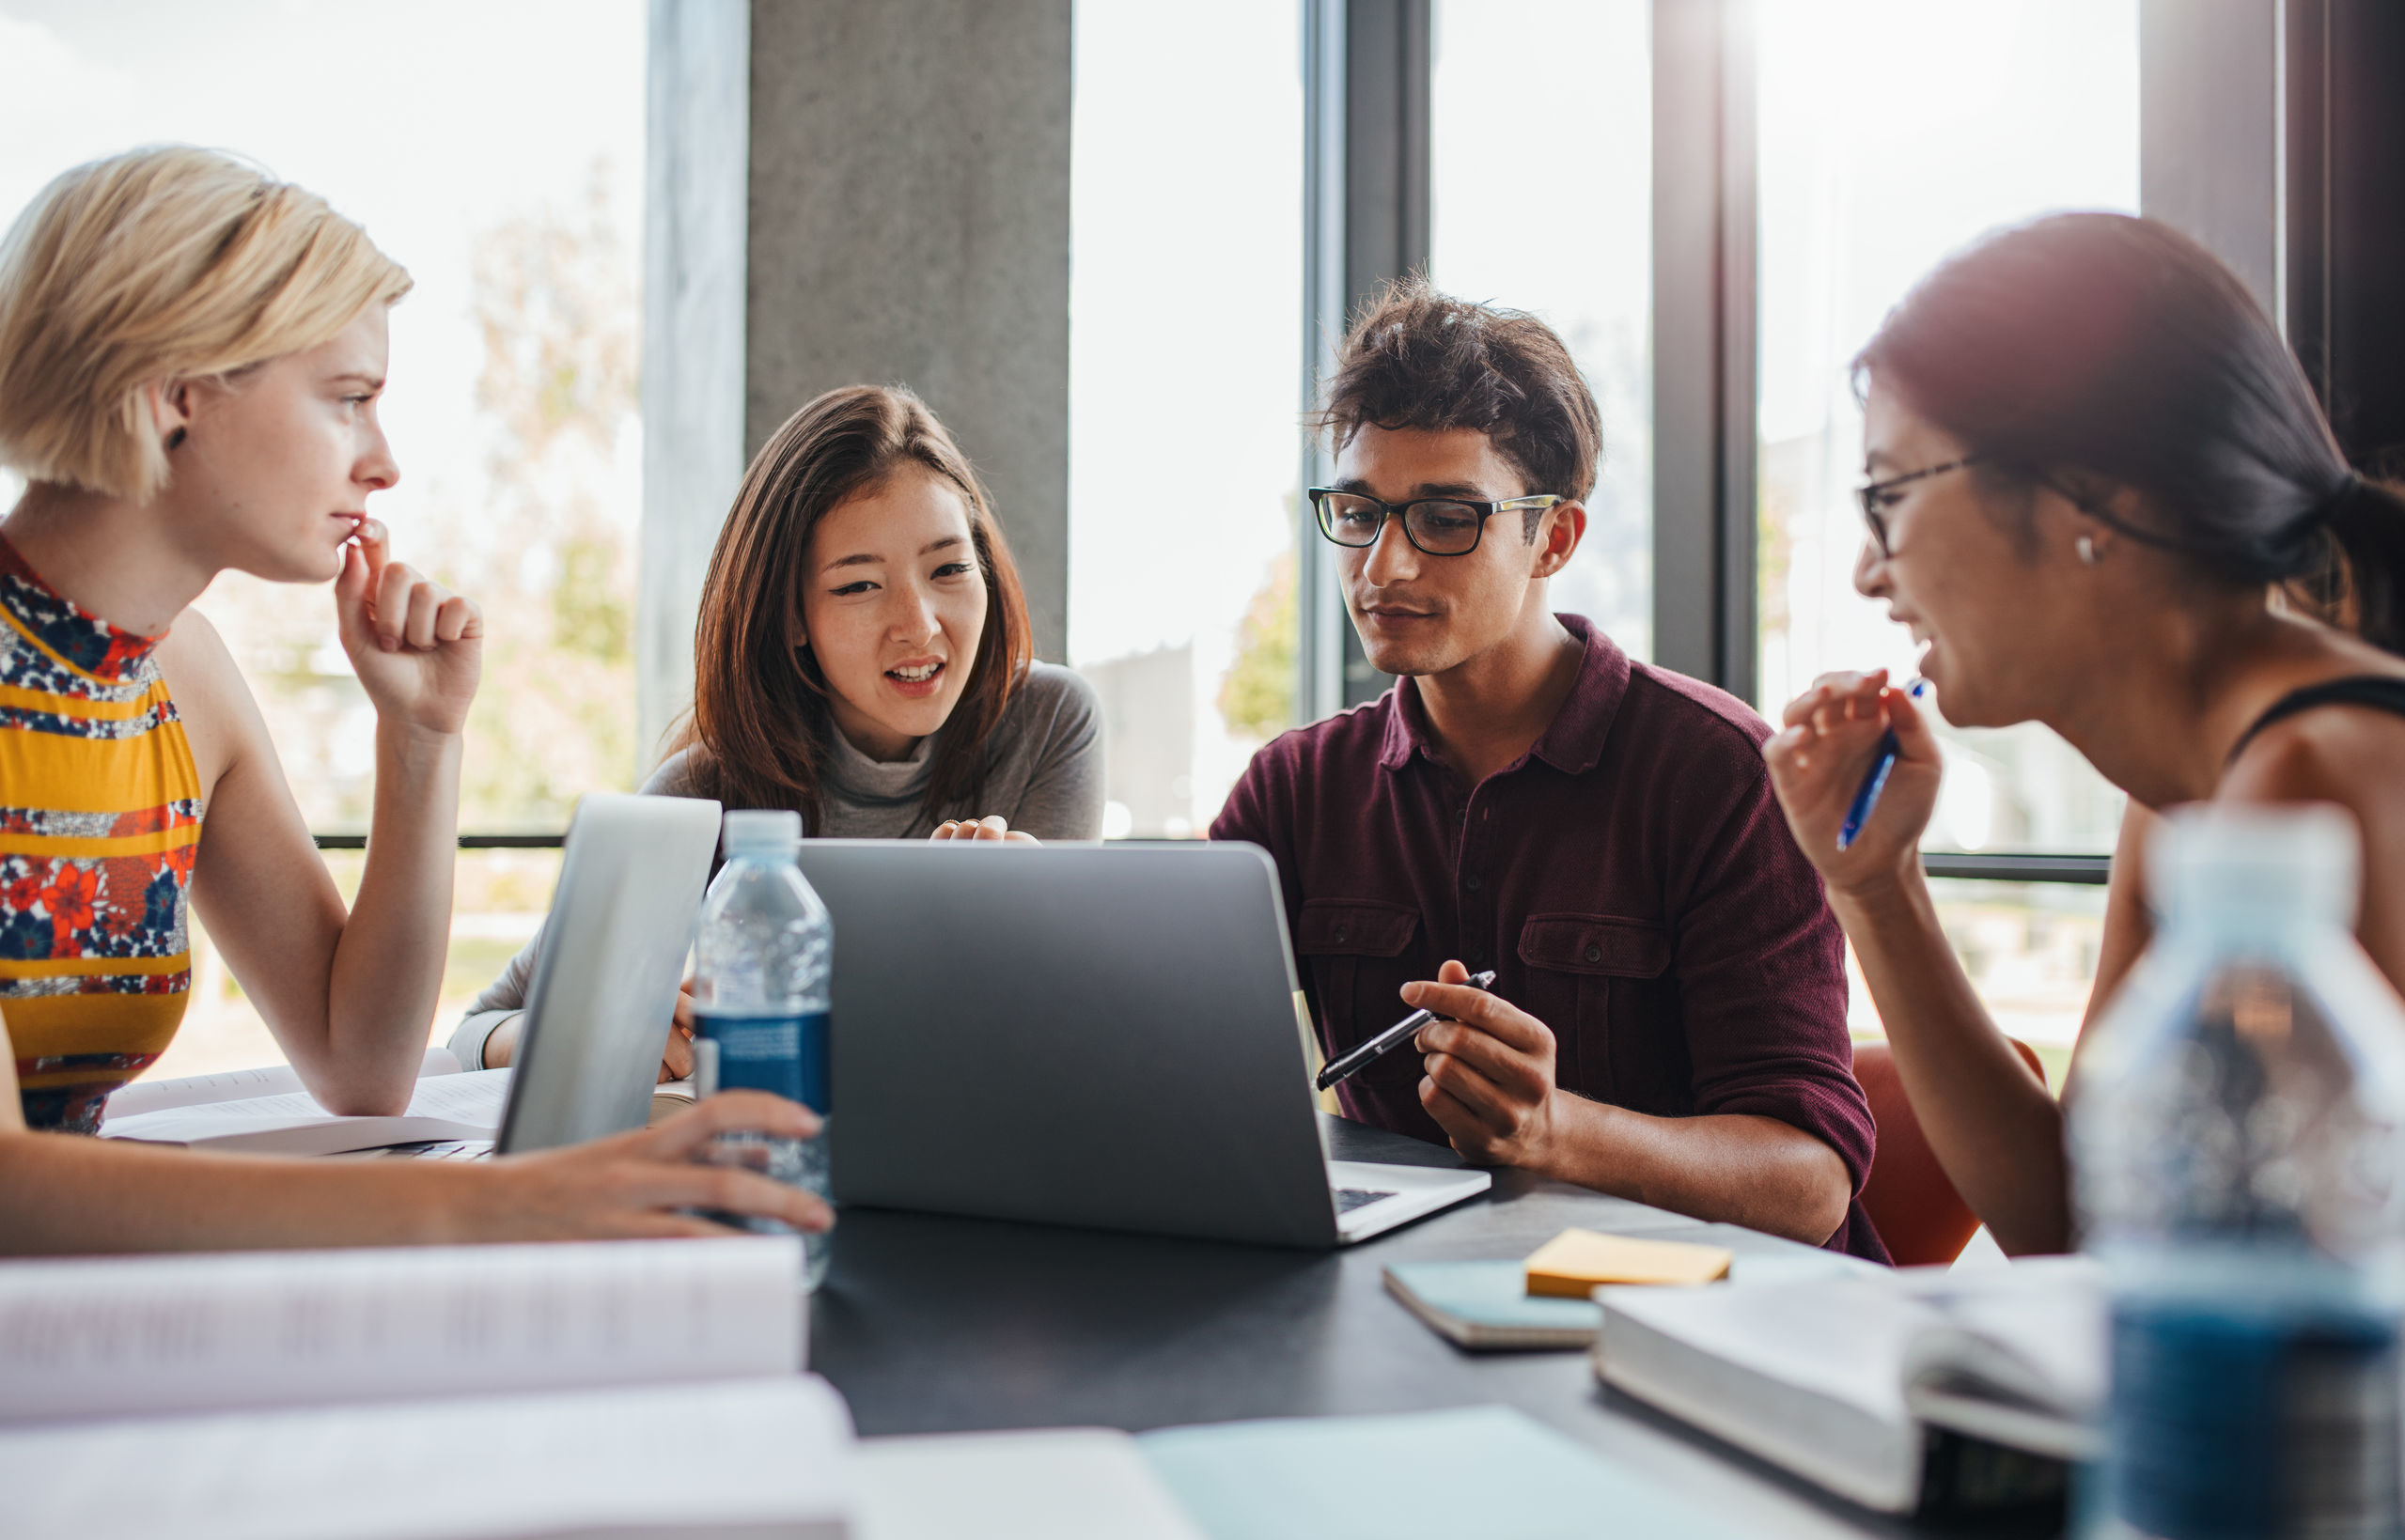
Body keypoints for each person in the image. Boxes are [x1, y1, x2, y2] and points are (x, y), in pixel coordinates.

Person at [0, 146, 825, 1252]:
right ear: (176, 395)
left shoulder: (181, 677)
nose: (384, 462)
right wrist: (496, 1203)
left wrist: (420, 735)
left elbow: (362, 1065)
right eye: (348, 401)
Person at [1762, 212, 2405, 1258]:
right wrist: (1872, 884)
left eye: (1889, 496)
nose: (1869, 573)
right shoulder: (2186, 790)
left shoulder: (2311, 775)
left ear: (2088, 496)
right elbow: (2075, 1223)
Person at [1211, 281, 1882, 1256]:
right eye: (1359, 511)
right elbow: (1159, 1053)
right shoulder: (1296, 789)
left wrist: (1558, 1132)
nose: (1384, 567)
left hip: (1708, 1327)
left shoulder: (1719, 773)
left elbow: (1811, 1185)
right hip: (1416, 1311)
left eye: (1445, 519)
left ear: (1553, 537)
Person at [455, 384, 1103, 1075]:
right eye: (859, 585)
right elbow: (476, 1029)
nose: (919, 624)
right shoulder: (704, 792)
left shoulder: (1049, 720)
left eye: (948, 568)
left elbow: (1052, 1034)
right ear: (791, 616)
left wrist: (1039, 918)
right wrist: (617, 1032)